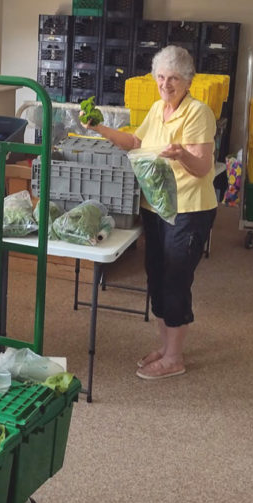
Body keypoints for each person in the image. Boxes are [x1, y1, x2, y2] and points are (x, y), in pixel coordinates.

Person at [85, 45, 217, 380]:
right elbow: (134, 142)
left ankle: (174, 357)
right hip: (156, 208)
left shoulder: (198, 113)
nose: (166, 84)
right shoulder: (158, 108)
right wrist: (97, 127)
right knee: (156, 276)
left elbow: (202, 167)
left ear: (188, 80)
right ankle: (167, 347)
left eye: (174, 78)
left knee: (175, 279)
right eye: (161, 77)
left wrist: (181, 156)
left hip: (188, 210)